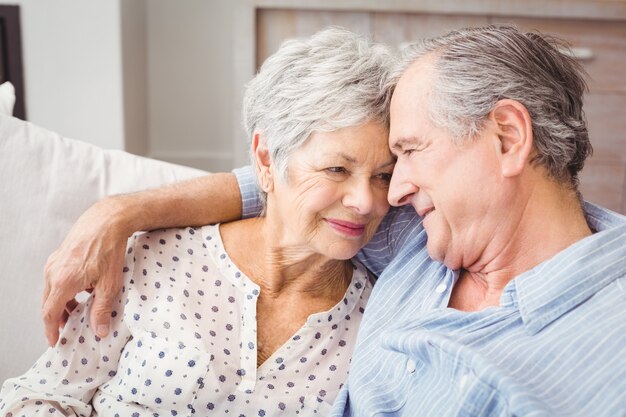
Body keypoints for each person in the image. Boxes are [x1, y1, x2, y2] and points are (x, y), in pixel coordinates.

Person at [38, 25, 626, 416]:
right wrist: (118, 211)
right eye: (366, 169)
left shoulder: (608, 346)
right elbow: (290, 191)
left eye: (407, 155)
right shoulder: (423, 237)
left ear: (507, 138)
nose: (384, 195)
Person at [0, 27, 397, 416]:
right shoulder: (156, 258)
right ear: (264, 159)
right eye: (336, 169)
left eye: (383, 176)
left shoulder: (380, 318)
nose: (366, 202)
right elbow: (39, 397)